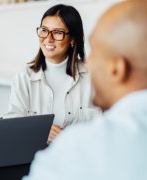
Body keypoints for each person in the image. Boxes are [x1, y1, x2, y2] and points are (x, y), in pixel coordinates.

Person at [24, 1, 147, 179]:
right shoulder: (25, 76)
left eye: (95, 50)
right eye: (44, 30)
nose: (88, 62)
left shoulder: (78, 149)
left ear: (117, 69)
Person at [4, 4, 100, 142]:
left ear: (72, 39)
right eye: (44, 30)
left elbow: (107, 124)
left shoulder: (93, 76)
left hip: (81, 156)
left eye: (57, 32)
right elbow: (10, 125)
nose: (48, 39)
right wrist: (39, 130)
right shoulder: (24, 77)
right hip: (35, 156)